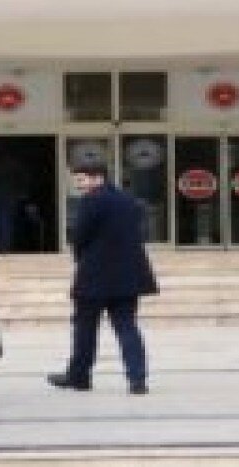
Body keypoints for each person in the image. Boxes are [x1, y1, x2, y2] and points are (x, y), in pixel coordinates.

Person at [47, 159, 158, 395]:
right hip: (127, 276)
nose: (79, 185)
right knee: (127, 326)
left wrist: (80, 258)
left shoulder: (91, 201)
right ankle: (137, 379)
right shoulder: (129, 201)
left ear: (98, 178)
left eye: (81, 180)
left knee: (85, 328)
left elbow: (80, 236)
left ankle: (79, 377)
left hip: (95, 275)